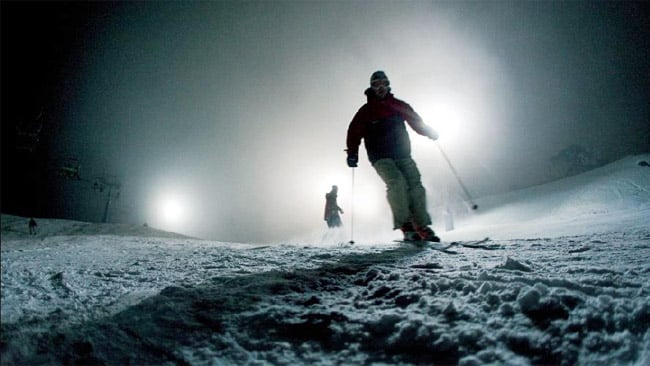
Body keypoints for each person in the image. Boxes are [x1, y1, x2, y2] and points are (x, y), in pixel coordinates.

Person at [346, 70, 440, 242]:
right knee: (396, 182)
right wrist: (352, 153)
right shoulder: (366, 111)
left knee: (415, 185)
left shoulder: (398, 105)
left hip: (402, 153)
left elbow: (415, 121)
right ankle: (406, 225)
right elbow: (354, 132)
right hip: (381, 156)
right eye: (376, 85)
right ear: (372, 87)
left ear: (388, 85)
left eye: (384, 84)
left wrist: (428, 131)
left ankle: (422, 226)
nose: (380, 88)